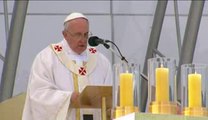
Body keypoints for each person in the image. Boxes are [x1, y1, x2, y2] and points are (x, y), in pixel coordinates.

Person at [22, 12, 112, 120]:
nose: (83, 40)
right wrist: (68, 98)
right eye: (78, 34)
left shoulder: (100, 60)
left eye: (86, 34)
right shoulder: (47, 58)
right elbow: (38, 95)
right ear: (65, 34)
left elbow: (111, 94)